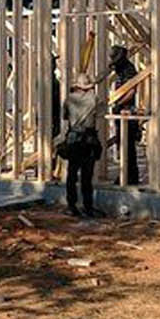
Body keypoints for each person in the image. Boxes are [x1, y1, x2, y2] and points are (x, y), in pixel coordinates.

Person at [60, 71, 102, 217]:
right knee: (87, 176)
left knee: (72, 175)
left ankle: (72, 206)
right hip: (89, 141)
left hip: (74, 139)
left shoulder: (69, 99)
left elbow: (65, 117)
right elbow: (99, 112)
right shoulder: (94, 99)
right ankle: (88, 207)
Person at [108, 44, 142, 185]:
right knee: (122, 145)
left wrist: (118, 102)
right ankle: (127, 175)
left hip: (126, 110)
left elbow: (131, 91)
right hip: (120, 109)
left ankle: (130, 176)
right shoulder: (121, 68)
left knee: (127, 146)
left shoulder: (128, 69)